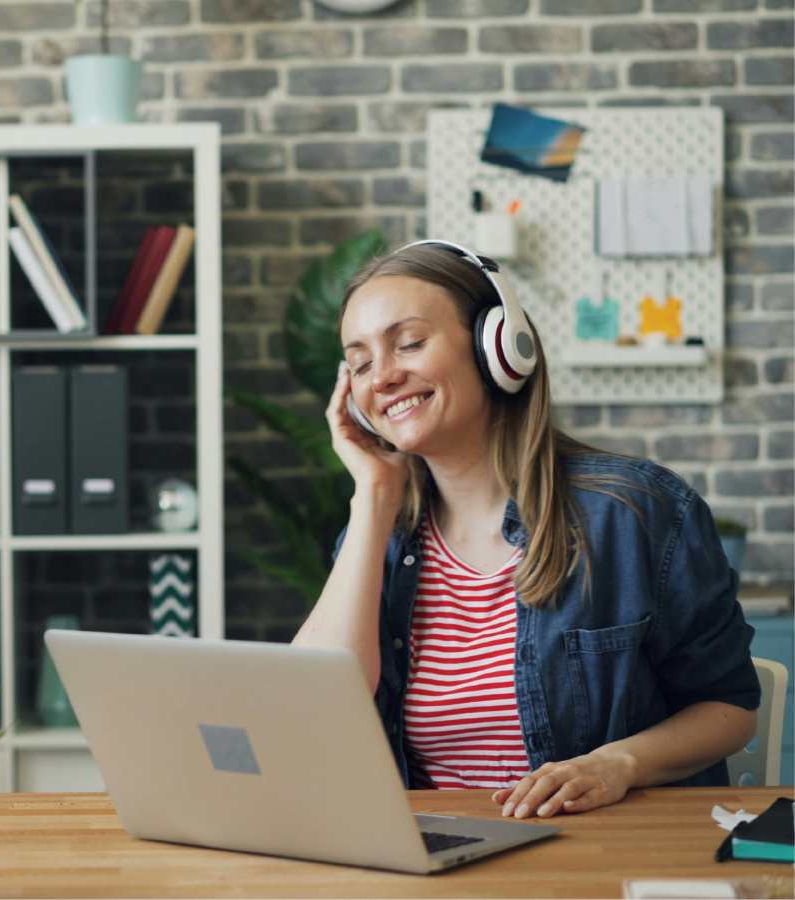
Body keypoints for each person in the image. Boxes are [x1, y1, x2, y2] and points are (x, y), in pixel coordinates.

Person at [293, 239, 760, 820]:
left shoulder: (634, 513)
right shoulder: (378, 537)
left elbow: (729, 706)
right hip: (436, 860)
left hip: (601, 853)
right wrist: (375, 493)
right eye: (360, 363)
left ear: (499, 348)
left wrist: (623, 763)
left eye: (409, 343)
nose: (383, 376)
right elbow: (316, 708)